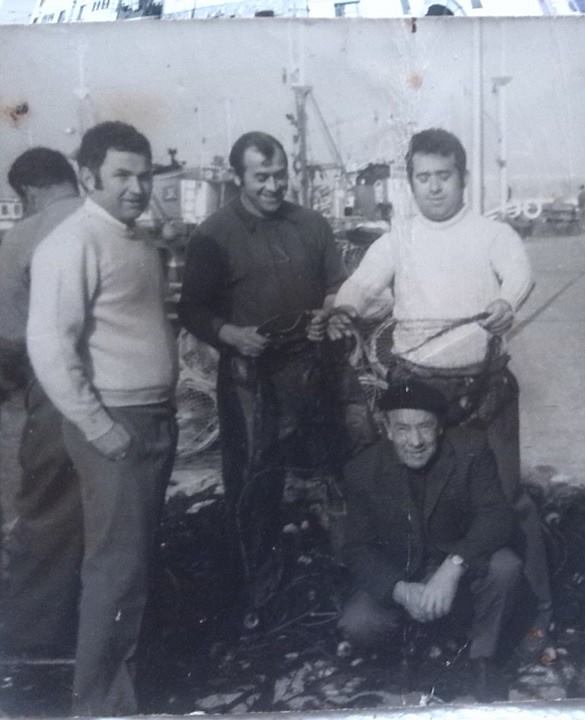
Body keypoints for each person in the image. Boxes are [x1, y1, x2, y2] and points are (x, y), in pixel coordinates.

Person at [323, 127, 553, 654]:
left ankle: (539, 620)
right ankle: (419, 609)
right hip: (418, 391)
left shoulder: (493, 234)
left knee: (509, 501)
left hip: (484, 390)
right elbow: (362, 283)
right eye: (422, 178)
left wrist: (507, 304)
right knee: (414, 501)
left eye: (443, 176)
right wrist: (344, 309)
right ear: (410, 182)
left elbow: (519, 274)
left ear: (462, 177)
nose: (433, 188)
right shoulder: (398, 237)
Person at [26, 121, 178, 715]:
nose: (137, 188)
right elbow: (49, 347)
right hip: (116, 425)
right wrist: (99, 427)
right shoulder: (72, 243)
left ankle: (124, 689)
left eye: (144, 176)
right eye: (123, 176)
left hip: (151, 418)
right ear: (88, 177)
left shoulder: (134, 239)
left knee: (133, 563)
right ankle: (100, 707)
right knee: (115, 569)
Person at [178, 131, 348, 627]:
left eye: (280, 175)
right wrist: (231, 334)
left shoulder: (311, 225)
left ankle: (347, 580)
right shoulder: (213, 234)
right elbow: (191, 308)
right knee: (254, 485)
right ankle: (260, 593)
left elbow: (338, 284)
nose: (274, 186)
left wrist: (330, 310)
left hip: (312, 369)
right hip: (249, 374)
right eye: (262, 177)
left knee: (335, 473)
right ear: (238, 178)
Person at [338, 379, 521, 702]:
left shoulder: (471, 449)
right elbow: (356, 548)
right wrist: (399, 589)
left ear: (439, 428)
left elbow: (496, 516)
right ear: (388, 429)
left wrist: (453, 567)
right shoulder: (361, 470)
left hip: (459, 573)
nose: (416, 441)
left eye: (425, 427)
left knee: (506, 566)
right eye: (404, 429)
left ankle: (482, 657)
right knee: (358, 623)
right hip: (404, 575)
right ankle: (410, 647)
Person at [0, 148, 83, 659]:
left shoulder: (21, 239)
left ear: (29, 192)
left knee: (48, 511)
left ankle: (36, 643)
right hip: (129, 400)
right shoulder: (114, 224)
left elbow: (8, 340)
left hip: (55, 394)